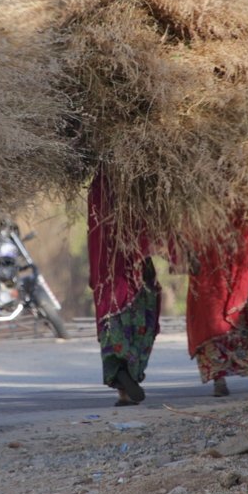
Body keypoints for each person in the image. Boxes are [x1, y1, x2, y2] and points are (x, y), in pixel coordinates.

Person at [88, 170, 162, 406]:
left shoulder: (98, 188)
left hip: (107, 275)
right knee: (141, 325)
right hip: (137, 271)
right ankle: (129, 377)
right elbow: (150, 230)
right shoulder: (139, 182)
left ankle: (121, 385)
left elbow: (96, 235)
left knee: (113, 327)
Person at [184, 220, 248, 397]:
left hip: (220, 267)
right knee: (231, 320)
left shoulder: (197, 214)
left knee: (217, 321)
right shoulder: (196, 212)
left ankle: (221, 379)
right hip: (220, 266)